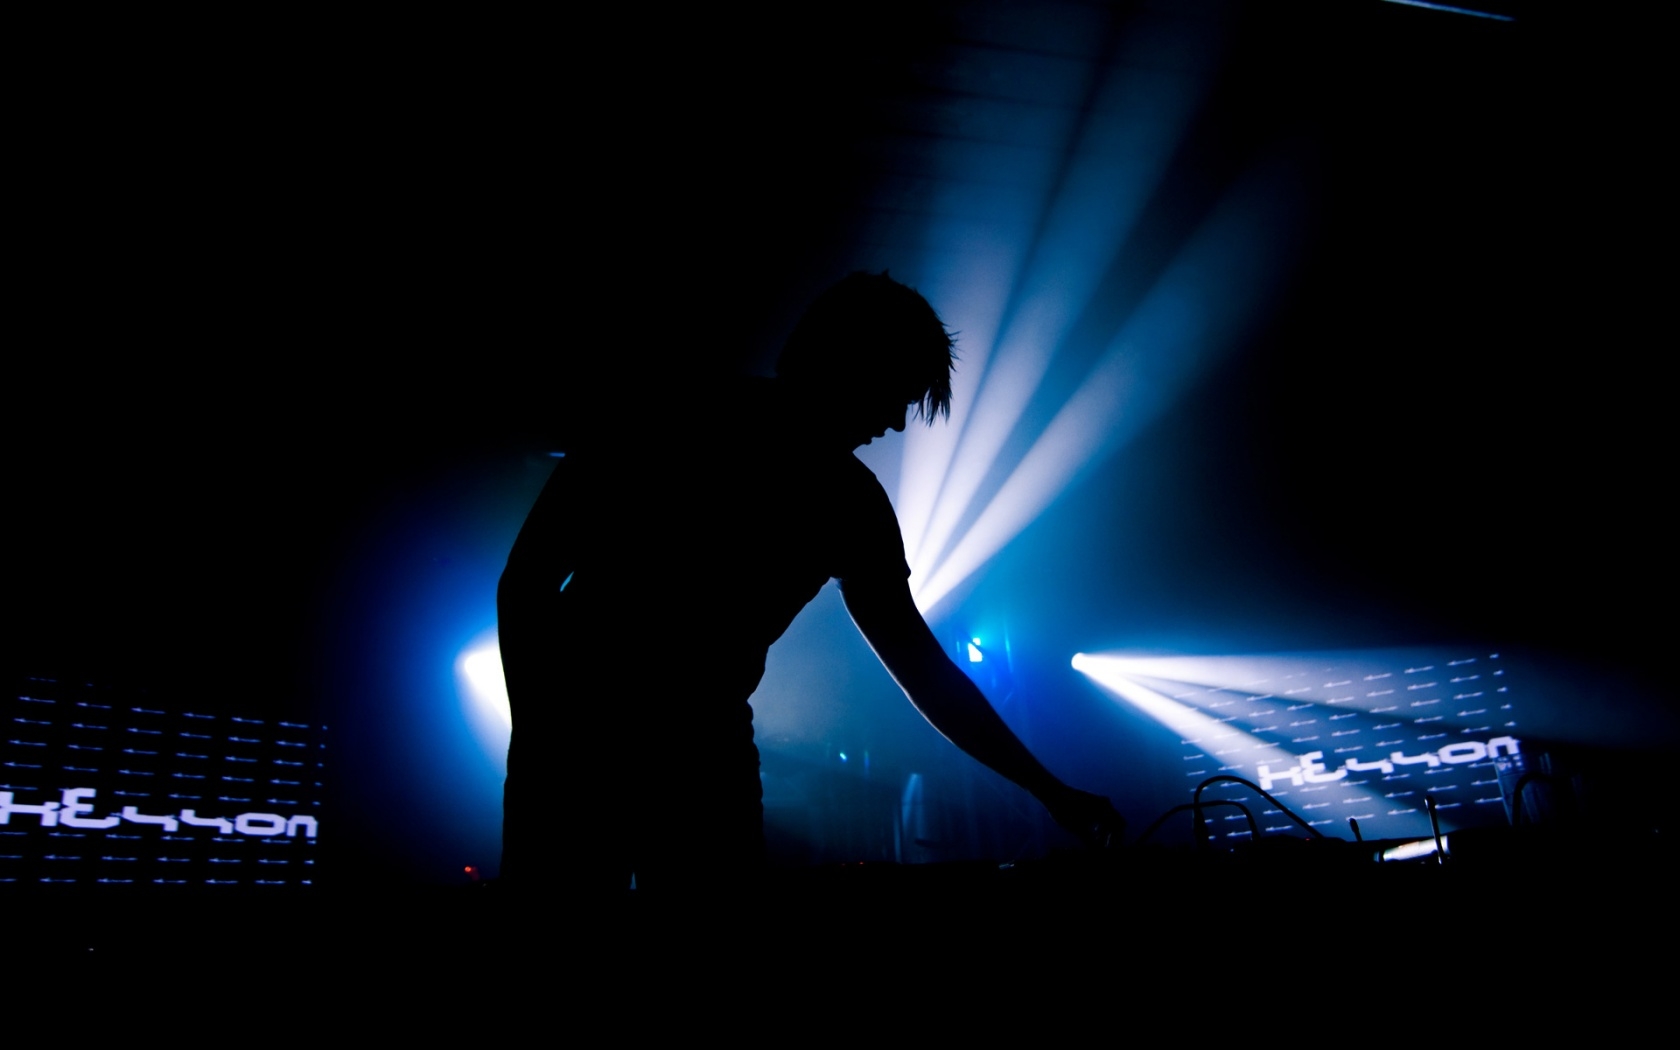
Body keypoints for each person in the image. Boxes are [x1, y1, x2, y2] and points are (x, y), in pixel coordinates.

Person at [496, 272, 1120, 896]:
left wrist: (540, 735)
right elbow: (526, 582)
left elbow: (525, 583)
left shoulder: (815, 484)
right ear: (849, 364)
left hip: (663, 749)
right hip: (625, 746)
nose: (897, 423)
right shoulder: (682, 426)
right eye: (896, 394)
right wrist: (544, 734)